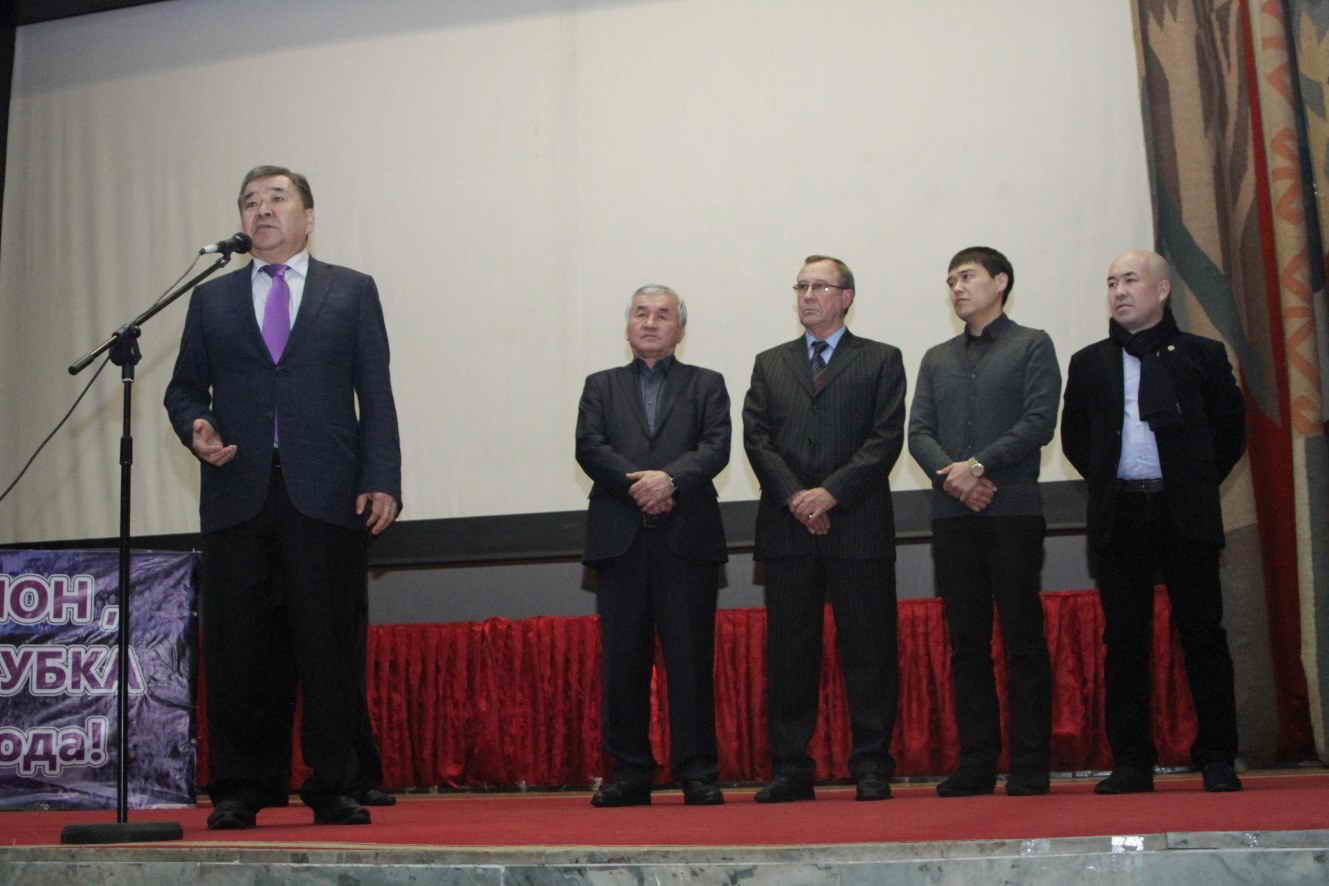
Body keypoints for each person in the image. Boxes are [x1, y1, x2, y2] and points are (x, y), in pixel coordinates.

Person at [165, 165, 402, 828]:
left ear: (308, 216)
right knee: (240, 647)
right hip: (238, 494)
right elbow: (183, 389)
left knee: (328, 643)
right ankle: (242, 787)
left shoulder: (350, 290)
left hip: (326, 494)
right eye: (250, 202)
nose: (262, 210)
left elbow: (375, 391)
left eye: (277, 199)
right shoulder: (211, 300)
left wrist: (382, 477)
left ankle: (334, 784)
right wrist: (195, 425)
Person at [1061, 249, 1245, 794]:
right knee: (1125, 640)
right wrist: (1110, 479)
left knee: (1202, 635)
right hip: (1121, 513)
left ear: (1162, 290)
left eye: (1131, 280)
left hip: (1183, 511)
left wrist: (1192, 482)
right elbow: (1077, 441)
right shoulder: (1090, 362)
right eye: (1111, 282)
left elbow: (1229, 433)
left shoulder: (1202, 356)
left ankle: (1217, 756)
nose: (1119, 291)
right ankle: (1132, 762)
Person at [742, 254, 905, 803]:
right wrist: (797, 497)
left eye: (820, 286)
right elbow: (757, 438)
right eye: (801, 286)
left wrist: (830, 493)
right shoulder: (770, 363)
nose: (807, 295)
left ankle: (872, 765)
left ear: (846, 297)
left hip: (858, 525)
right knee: (791, 653)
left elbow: (885, 439)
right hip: (788, 528)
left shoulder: (881, 359)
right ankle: (791, 769)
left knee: (869, 650)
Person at [908, 246, 1060, 797]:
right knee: (966, 643)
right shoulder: (937, 358)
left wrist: (977, 466)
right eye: (951, 280)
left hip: (1012, 510)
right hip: (953, 516)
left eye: (967, 276)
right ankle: (976, 761)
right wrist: (955, 478)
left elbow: (1039, 421)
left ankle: (1029, 763)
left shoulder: (1032, 344)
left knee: (1022, 638)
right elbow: (919, 432)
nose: (957, 287)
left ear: (1000, 282)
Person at [575, 285, 731, 807]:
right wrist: (639, 485)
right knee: (623, 663)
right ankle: (629, 774)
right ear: (628, 325)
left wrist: (669, 480)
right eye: (640, 313)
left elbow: (716, 447)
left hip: (687, 540)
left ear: (679, 329)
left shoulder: (707, 384)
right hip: (619, 541)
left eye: (662, 315)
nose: (649, 322)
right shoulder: (600, 385)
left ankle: (698, 773)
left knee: (690, 661)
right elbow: (589, 447)